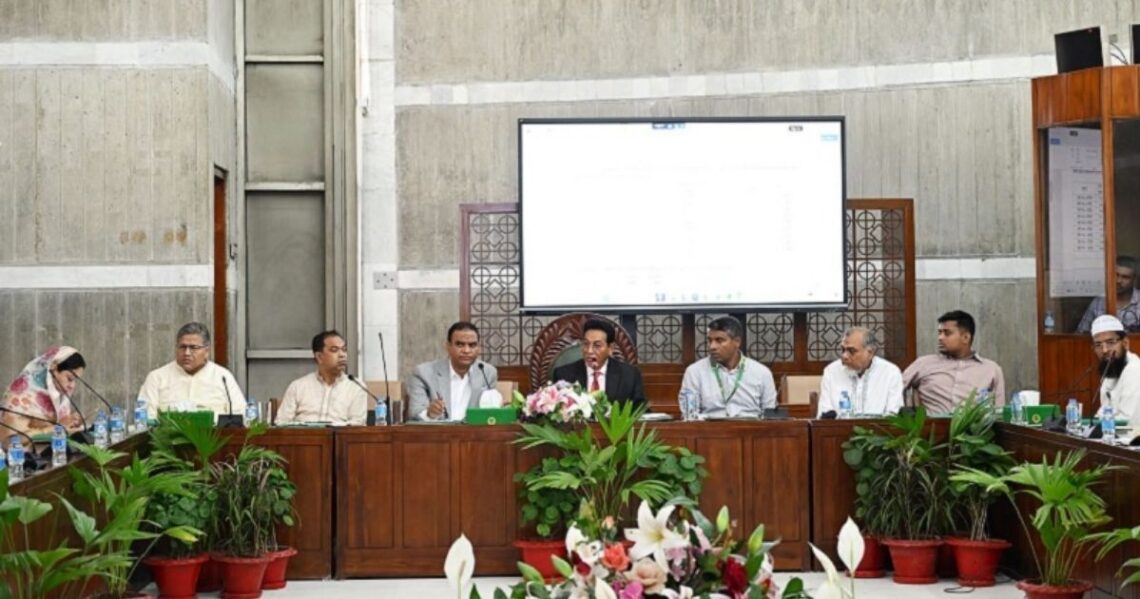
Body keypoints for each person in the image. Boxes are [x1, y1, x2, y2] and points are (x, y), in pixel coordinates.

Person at [901, 310, 1005, 414]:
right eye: (939, 332)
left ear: (966, 337)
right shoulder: (924, 364)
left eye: (947, 333)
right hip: (933, 423)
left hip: (972, 424)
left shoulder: (991, 370)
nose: (940, 338)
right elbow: (895, 387)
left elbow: (999, 412)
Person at [138, 322, 246, 421]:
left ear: (206, 351)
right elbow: (145, 418)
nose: (187, 353)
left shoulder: (222, 377)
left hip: (212, 436)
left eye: (193, 347)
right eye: (182, 347)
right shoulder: (157, 378)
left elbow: (240, 415)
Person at [681, 316, 777, 418]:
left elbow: (770, 416)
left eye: (719, 340)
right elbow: (689, 415)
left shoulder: (762, 373)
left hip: (750, 427)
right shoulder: (694, 372)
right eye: (710, 340)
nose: (712, 346)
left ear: (737, 342)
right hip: (709, 427)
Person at [407, 321, 499, 421]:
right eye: (460, 344)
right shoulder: (423, 373)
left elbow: (490, 411)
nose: (466, 350)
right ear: (448, 346)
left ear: (478, 348)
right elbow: (415, 413)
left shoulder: (487, 372)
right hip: (439, 430)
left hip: (473, 430)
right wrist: (430, 414)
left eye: (472, 345)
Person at [276, 330, 368, 425]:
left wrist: (331, 427)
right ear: (319, 357)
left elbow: (358, 424)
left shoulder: (356, 387)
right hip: (303, 434)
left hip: (339, 434)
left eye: (344, 350)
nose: (342, 355)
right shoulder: (298, 386)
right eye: (334, 350)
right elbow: (281, 423)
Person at [551, 318, 646, 407]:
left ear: (610, 348)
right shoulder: (563, 375)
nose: (589, 351)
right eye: (586, 344)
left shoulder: (629, 375)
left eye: (597, 345)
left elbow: (640, 411)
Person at [1, 346, 87, 438]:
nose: (72, 386)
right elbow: (11, 439)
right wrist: (57, 428)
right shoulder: (21, 397)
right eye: (69, 379)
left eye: (75, 380)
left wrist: (70, 422)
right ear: (54, 369)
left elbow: (57, 426)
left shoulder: (58, 395)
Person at [817, 327, 903, 417]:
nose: (845, 356)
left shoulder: (890, 373)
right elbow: (824, 414)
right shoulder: (831, 372)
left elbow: (894, 414)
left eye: (851, 351)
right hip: (840, 426)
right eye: (843, 350)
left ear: (870, 352)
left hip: (878, 426)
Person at [1090, 315, 1140, 438]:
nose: (1104, 350)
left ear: (1125, 343)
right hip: (1114, 440)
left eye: (1110, 342)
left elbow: (1130, 424)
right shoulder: (1112, 368)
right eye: (1098, 345)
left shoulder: (1134, 369)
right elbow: (1104, 413)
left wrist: (1097, 430)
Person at [1077, 256, 1140, 333]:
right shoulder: (1099, 301)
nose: (1118, 281)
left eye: (1125, 277)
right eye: (1116, 275)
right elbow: (1081, 333)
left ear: (1134, 279)